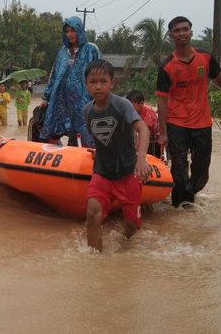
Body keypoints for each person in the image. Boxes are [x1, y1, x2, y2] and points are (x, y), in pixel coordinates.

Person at [156, 16, 221, 207]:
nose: (182, 33)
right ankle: (181, 210)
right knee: (179, 168)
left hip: (202, 123)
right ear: (171, 36)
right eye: (177, 30)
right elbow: (161, 99)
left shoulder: (206, 58)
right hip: (176, 123)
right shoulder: (166, 66)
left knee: (201, 170)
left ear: (191, 32)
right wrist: (163, 132)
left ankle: (188, 195)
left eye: (185, 29)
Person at [82, 59, 150, 252]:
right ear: (86, 84)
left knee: (131, 225)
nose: (98, 86)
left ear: (112, 83)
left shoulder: (122, 105)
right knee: (92, 214)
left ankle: (123, 243)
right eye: (93, 82)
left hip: (128, 173)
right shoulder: (86, 111)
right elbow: (101, 138)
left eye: (103, 81)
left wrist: (142, 158)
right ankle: (95, 262)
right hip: (102, 173)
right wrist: (100, 150)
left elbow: (143, 129)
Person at [40, 16, 101, 146]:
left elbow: (101, 75)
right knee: (60, 129)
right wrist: (46, 96)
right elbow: (54, 74)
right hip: (63, 100)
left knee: (86, 132)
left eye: (72, 31)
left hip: (84, 100)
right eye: (67, 31)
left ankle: (92, 157)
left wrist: (99, 97)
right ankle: (68, 156)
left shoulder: (92, 50)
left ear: (79, 30)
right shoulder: (63, 51)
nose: (69, 34)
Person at [126, 90, 162, 158]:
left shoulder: (147, 113)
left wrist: (137, 147)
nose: (130, 108)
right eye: (129, 105)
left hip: (153, 142)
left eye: (133, 105)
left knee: (152, 161)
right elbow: (133, 128)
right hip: (146, 139)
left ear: (141, 103)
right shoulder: (134, 112)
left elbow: (143, 132)